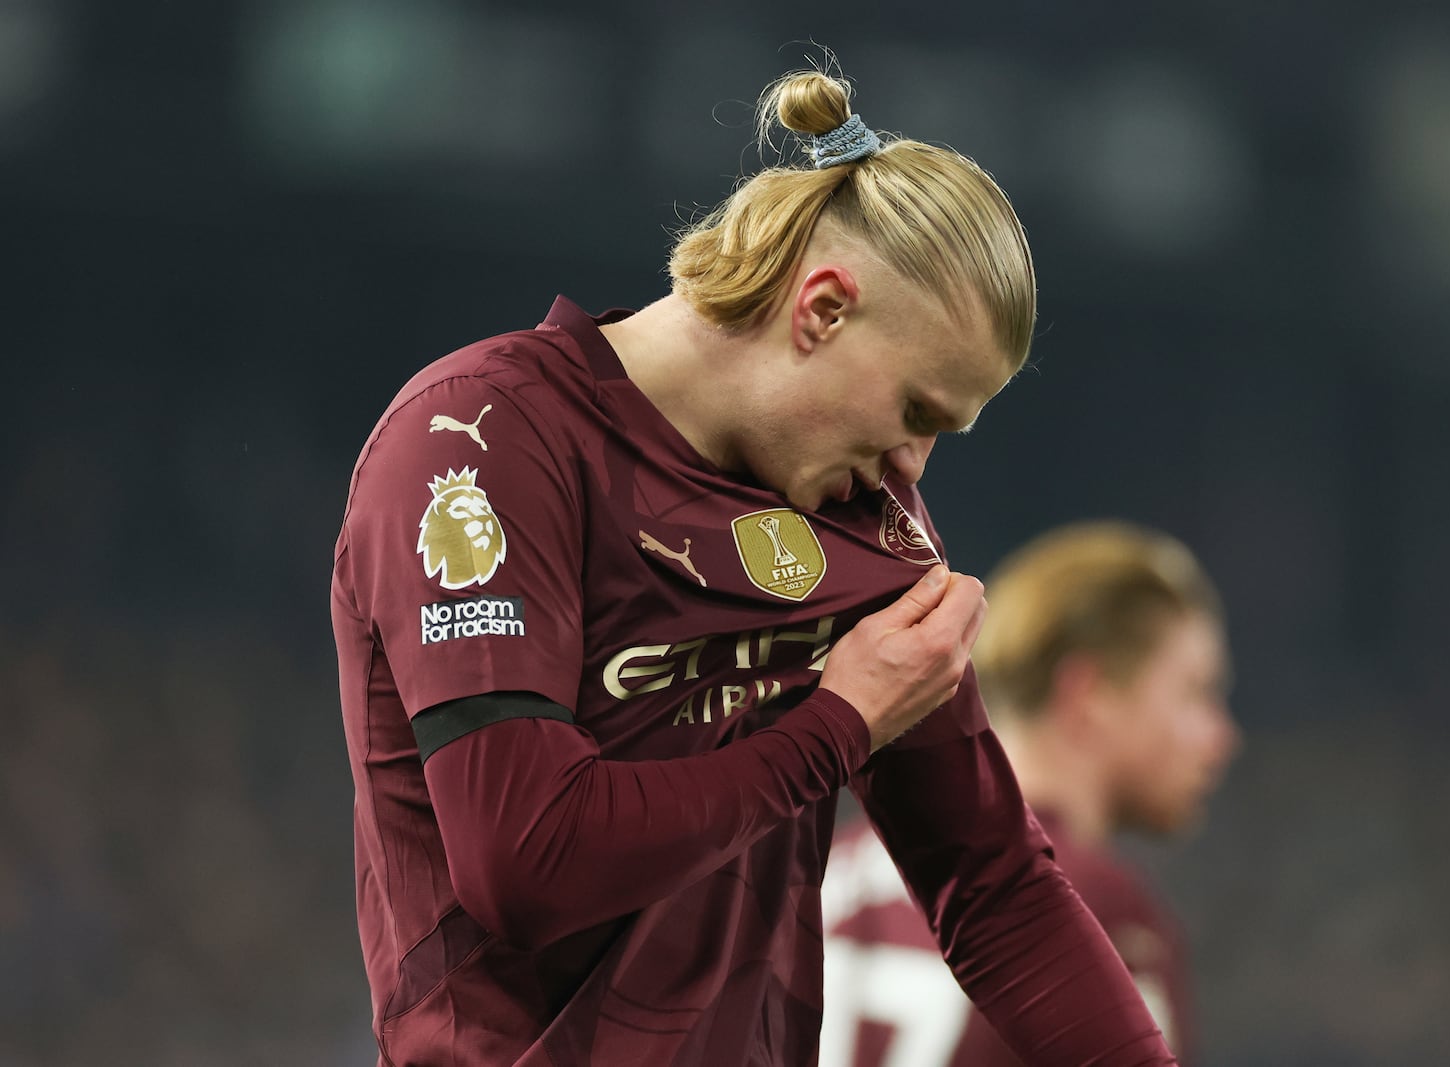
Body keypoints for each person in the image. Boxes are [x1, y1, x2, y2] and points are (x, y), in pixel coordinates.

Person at [331, 60, 1178, 1066]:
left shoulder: (870, 527)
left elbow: (993, 883)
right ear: (820, 308)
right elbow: (527, 862)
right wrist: (838, 726)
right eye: (916, 411)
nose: (914, 464)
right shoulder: (482, 440)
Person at [819, 522, 1241, 1066]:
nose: (1222, 737)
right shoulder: (1097, 904)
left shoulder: (836, 867)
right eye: (1195, 693)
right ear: (1089, 694)